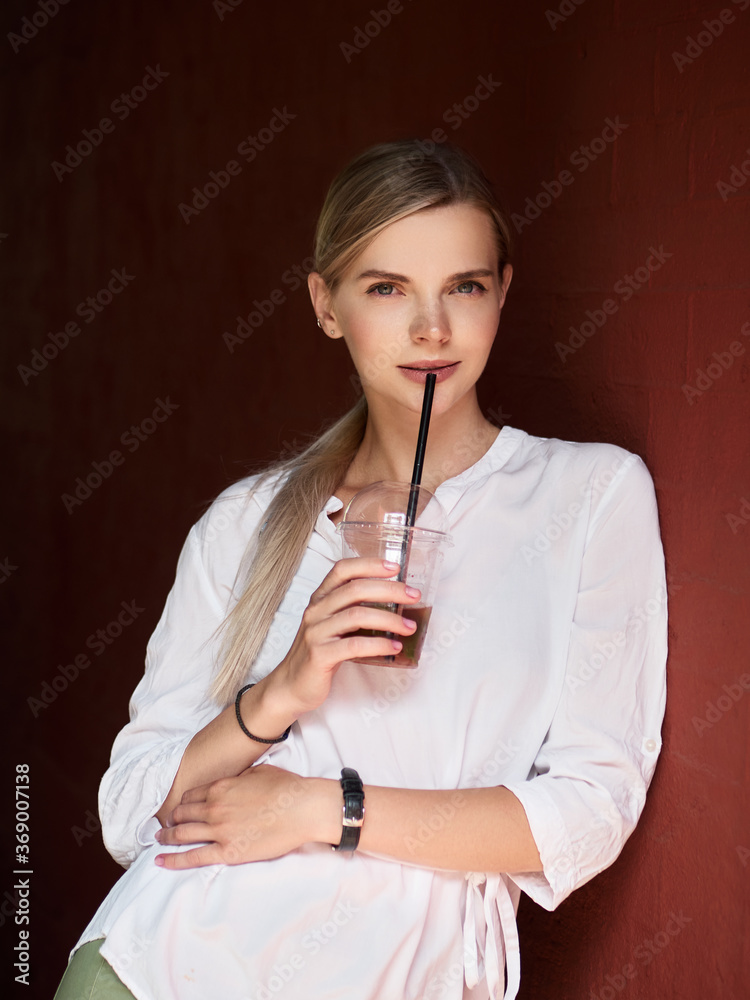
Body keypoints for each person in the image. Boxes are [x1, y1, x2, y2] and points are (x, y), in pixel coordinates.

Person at [54, 139, 668, 1000]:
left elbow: (588, 813)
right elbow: (129, 811)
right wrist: (279, 697)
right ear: (326, 305)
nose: (432, 329)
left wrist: (320, 809)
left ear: (503, 295)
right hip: (165, 959)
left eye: (465, 286)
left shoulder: (592, 494)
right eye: (387, 288)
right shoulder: (245, 524)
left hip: (405, 966)